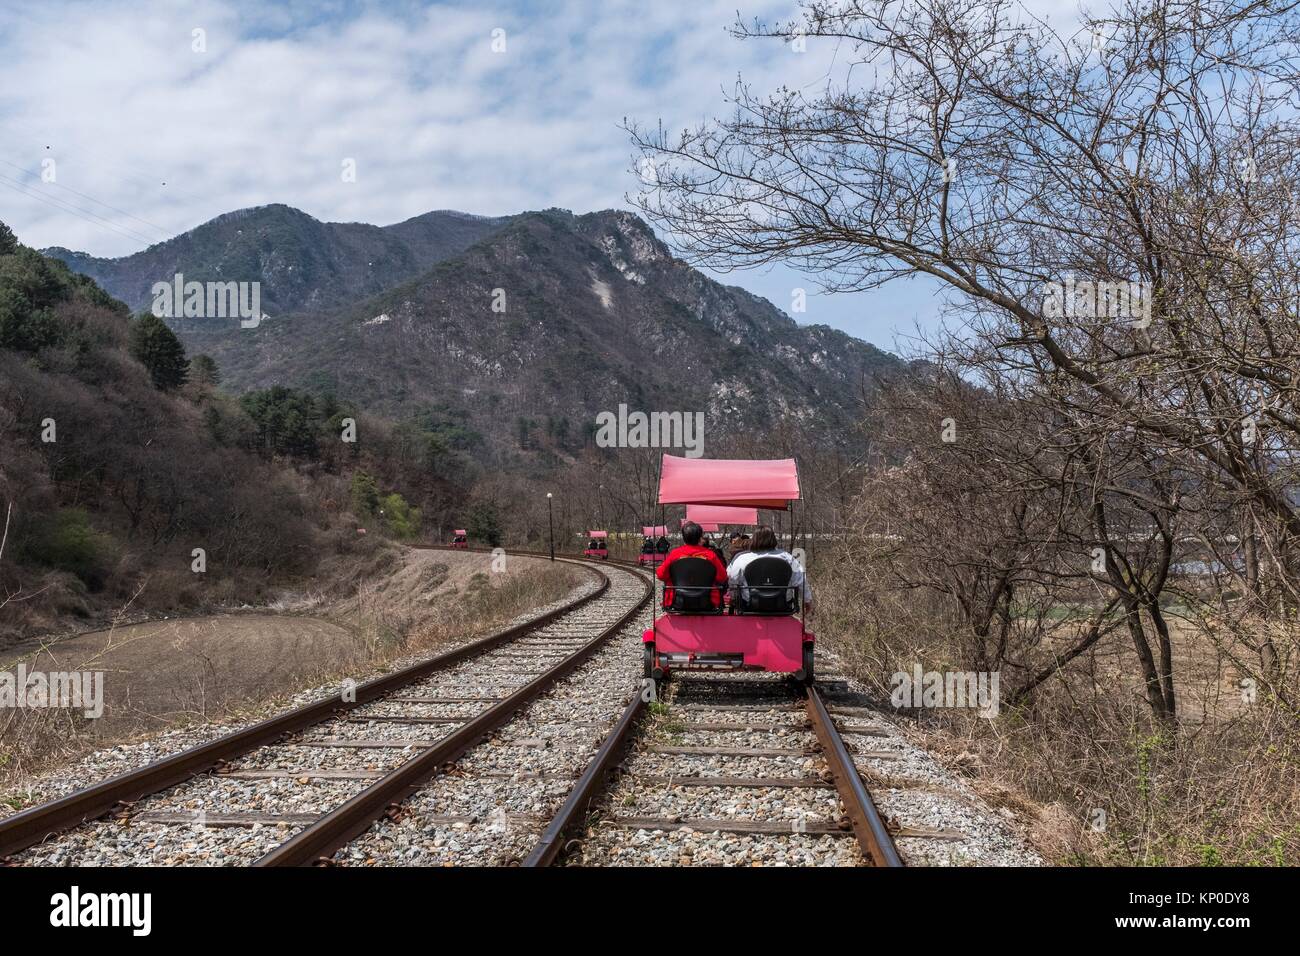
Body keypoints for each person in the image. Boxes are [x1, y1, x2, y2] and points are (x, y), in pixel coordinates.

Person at [726, 525, 812, 613]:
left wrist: (734, 599)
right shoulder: (788, 558)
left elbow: (733, 580)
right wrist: (807, 600)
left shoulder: (742, 559)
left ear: (754, 539)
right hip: (782, 605)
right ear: (773, 539)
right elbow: (801, 580)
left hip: (750, 605)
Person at [657, 520, 727, 609]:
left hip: (678, 600)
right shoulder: (710, 555)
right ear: (700, 537)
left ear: (684, 537)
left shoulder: (675, 554)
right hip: (707, 601)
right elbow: (722, 577)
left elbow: (661, 575)